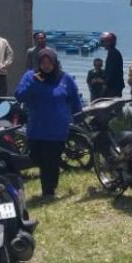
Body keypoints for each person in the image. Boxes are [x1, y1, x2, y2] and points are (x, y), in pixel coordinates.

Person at [14, 48, 83, 199]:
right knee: (37, 157)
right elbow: (20, 96)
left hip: (57, 129)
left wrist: (79, 117)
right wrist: (33, 82)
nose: (46, 66)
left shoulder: (65, 79)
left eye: (49, 62)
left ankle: (49, 191)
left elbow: (75, 100)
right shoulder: (31, 77)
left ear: (55, 62)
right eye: (43, 63)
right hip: (37, 128)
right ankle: (48, 186)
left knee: (51, 161)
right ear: (39, 64)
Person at [101, 32, 125, 98]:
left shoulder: (113, 54)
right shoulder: (112, 52)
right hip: (115, 84)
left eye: (105, 42)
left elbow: (111, 71)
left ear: (110, 42)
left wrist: (106, 84)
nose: (103, 44)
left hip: (114, 86)